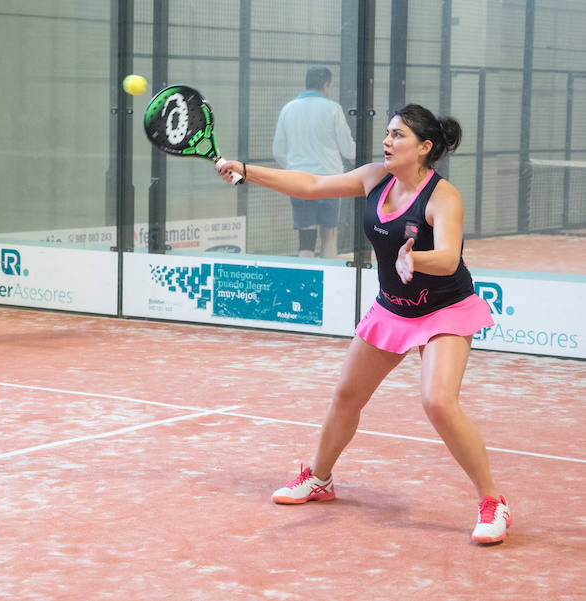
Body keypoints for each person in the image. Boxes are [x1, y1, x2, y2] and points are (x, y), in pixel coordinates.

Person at [218, 104, 511, 544]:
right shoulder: (376, 177)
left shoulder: (443, 196)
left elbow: (449, 257)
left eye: (398, 136)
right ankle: (319, 479)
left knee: (437, 402)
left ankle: (493, 501)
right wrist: (246, 170)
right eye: (388, 134)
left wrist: (417, 258)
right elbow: (313, 184)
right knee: (346, 395)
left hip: (444, 309)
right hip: (393, 307)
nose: (387, 142)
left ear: (424, 148)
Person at [272, 66, 355, 258]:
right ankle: (330, 282)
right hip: (330, 181)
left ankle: (304, 284)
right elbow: (347, 148)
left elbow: (278, 151)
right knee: (330, 235)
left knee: (306, 239)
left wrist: (294, 169)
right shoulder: (333, 109)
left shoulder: (288, 109)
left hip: (299, 181)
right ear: (327, 84)